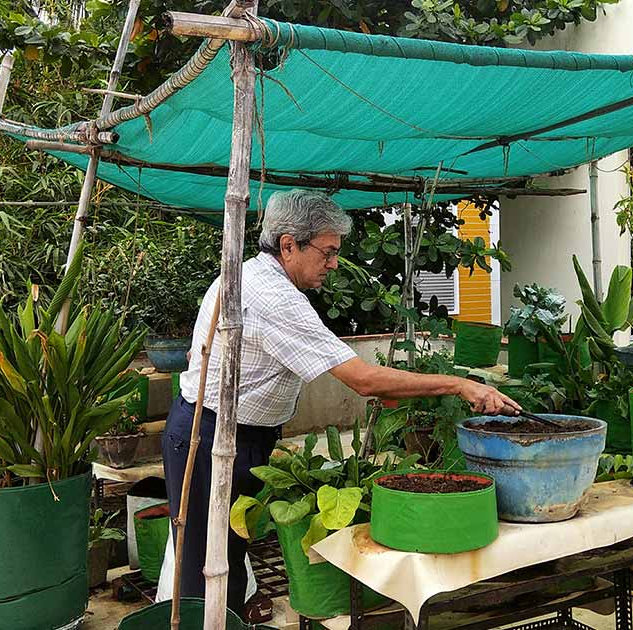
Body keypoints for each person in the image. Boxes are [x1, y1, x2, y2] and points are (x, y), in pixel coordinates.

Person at [162, 189, 519, 614]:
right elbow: (363, 380)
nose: (333, 264)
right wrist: (460, 385)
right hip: (211, 438)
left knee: (224, 559)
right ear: (288, 244)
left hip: (227, 434)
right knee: (208, 575)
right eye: (327, 252)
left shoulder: (247, 276)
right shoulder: (275, 297)